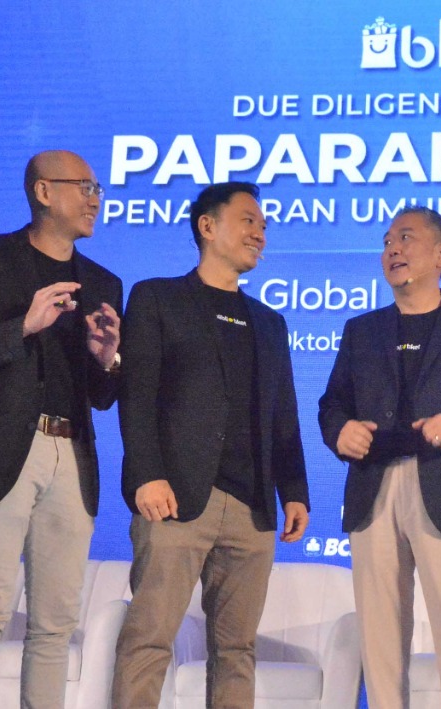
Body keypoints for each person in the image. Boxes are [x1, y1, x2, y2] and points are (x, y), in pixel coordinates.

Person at [0, 150, 122, 708]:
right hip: (1, 450)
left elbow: (103, 396)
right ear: (43, 192)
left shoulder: (103, 281)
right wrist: (22, 327)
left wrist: (107, 359)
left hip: (71, 453)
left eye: (97, 188)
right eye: (83, 186)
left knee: (56, 623)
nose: (95, 199)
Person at [112, 181, 310, 709]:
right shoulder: (157, 297)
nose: (260, 233)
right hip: (174, 498)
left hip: (252, 509)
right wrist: (146, 475)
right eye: (248, 221)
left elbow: (283, 414)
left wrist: (294, 491)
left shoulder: (270, 323)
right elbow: (137, 395)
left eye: (263, 225)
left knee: (237, 650)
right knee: (149, 639)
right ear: (207, 226)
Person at [318, 206, 441, 709]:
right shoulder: (361, 330)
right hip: (373, 487)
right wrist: (340, 431)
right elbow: (332, 403)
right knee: (380, 639)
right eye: (387, 241)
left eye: (405, 238)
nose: (392, 249)